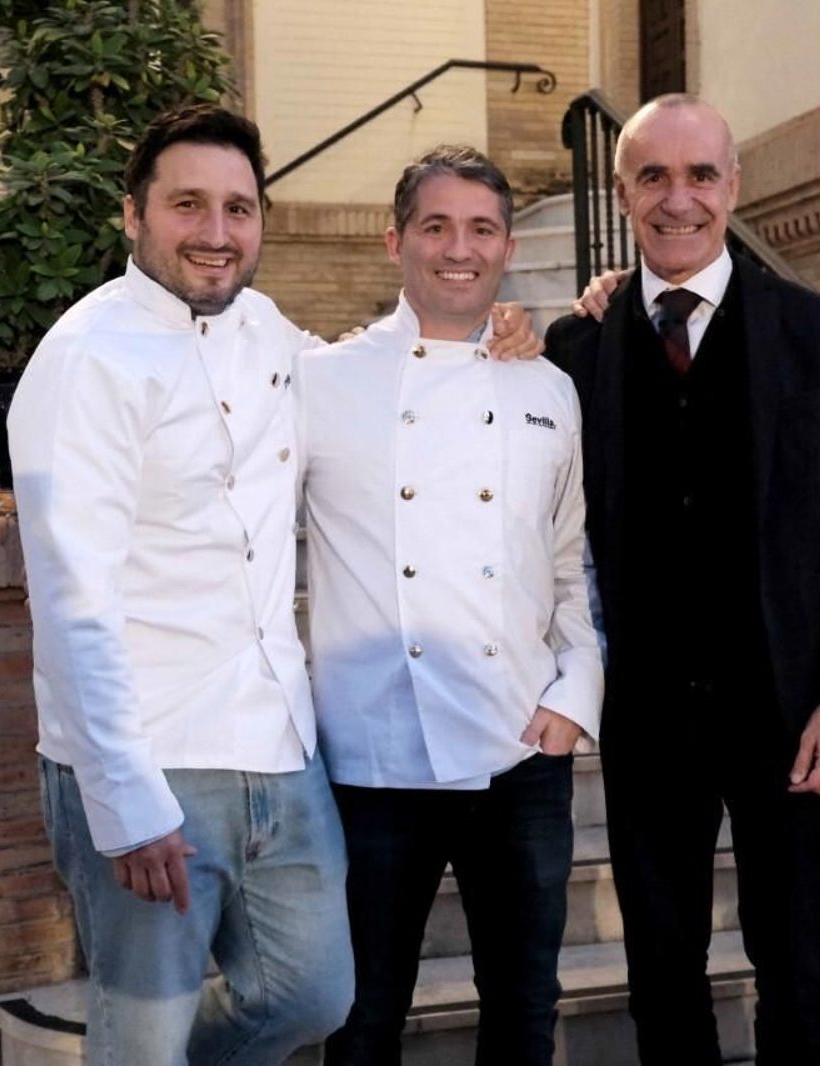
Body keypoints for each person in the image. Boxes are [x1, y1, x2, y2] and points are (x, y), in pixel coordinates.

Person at [10, 105, 539, 1063]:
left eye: (238, 208)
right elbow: (69, 601)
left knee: (316, 999)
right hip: (152, 752)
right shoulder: (83, 359)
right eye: (188, 206)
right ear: (134, 216)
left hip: (278, 746)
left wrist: (499, 333)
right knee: (142, 1032)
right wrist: (123, 797)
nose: (216, 232)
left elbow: (383, 375)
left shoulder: (268, 333)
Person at [545, 95, 820, 1065]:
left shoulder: (813, 331)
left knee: (792, 963)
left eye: (700, 175)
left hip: (786, 709)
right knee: (662, 963)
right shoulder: (578, 347)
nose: (678, 198)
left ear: (733, 187)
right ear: (622, 193)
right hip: (647, 715)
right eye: (653, 176)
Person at [302, 145, 603, 1066]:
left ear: (509, 248)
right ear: (397, 240)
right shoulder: (322, 381)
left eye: (480, 230)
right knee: (361, 1019)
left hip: (521, 751)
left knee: (524, 1009)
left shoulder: (549, 388)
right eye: (436, 226)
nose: (458, 249)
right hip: (373, 761)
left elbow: (568, 568)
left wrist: (574, 698)